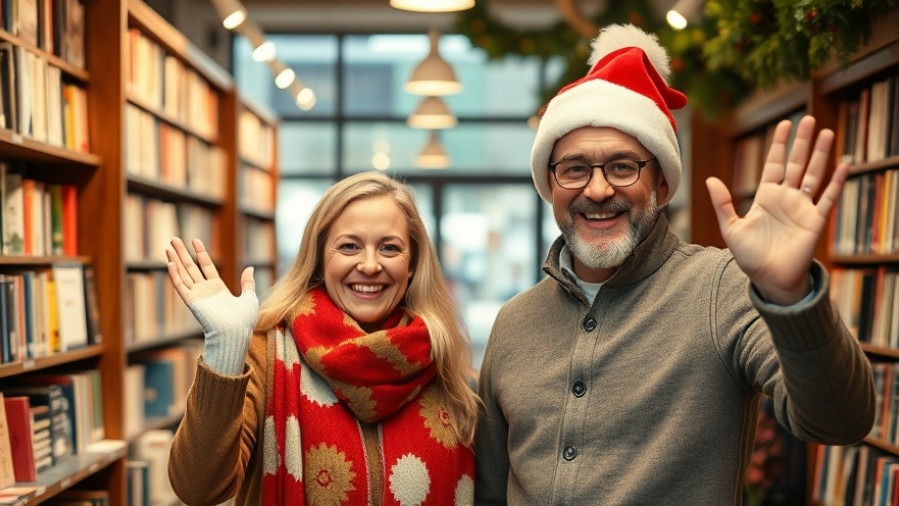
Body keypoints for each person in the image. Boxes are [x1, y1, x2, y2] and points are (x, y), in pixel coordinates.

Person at [474, 23, 875, 504]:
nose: (597, 190)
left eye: (623, 166)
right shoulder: (513, 322)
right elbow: (490, 491)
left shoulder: (721, 289)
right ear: (550, 187)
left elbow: (839, 419)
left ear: (661, 187)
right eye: (574, 168)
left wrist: (790, 297)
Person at [165, 171, 479, 505]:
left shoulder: (444, 362)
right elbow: (198, 489)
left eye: (389, 248)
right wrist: (224, 348)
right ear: (320, 257)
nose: (370, 265)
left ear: (412, 263)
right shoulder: (266, 353)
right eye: (349, 246)